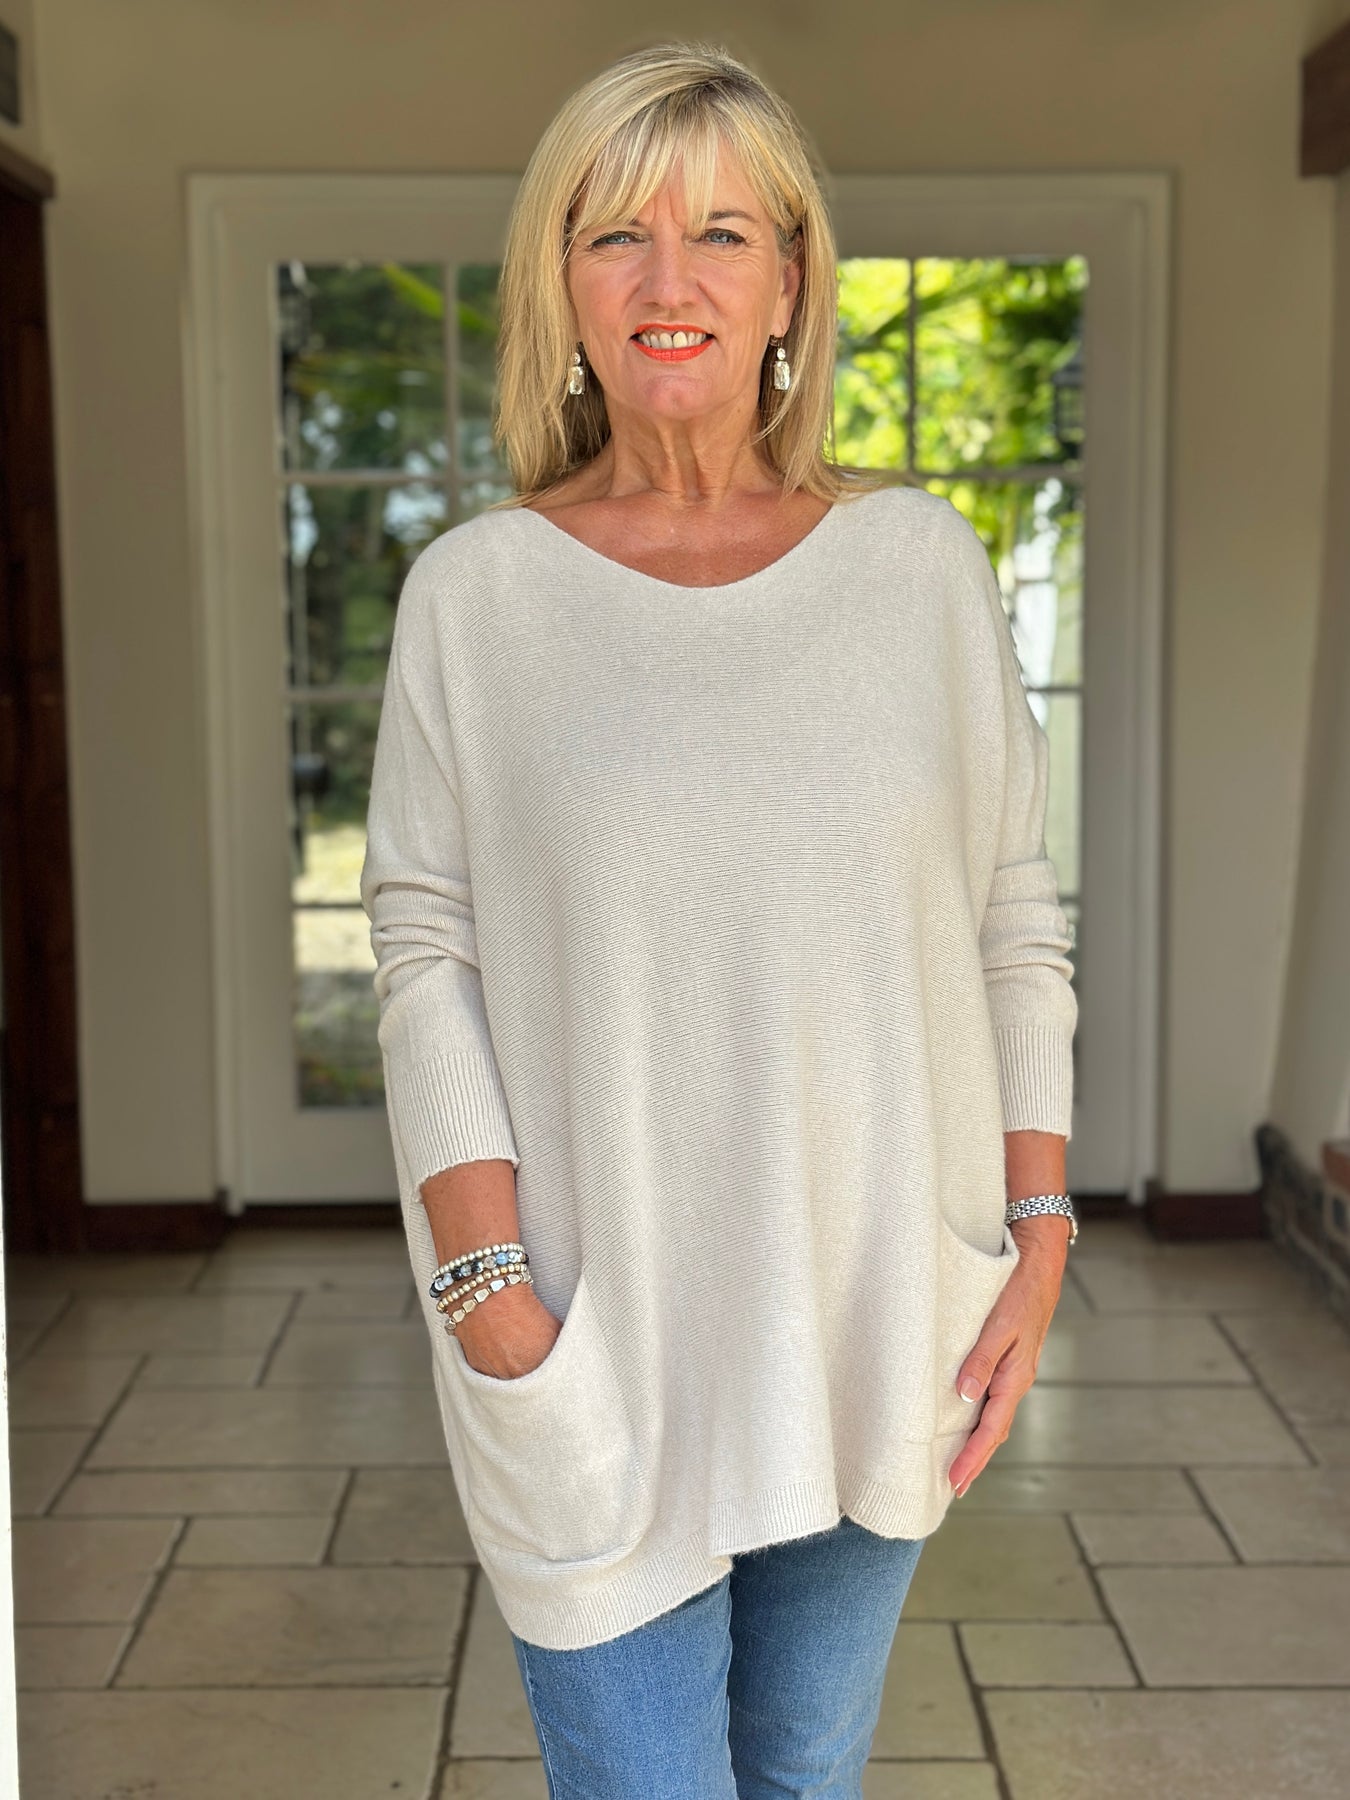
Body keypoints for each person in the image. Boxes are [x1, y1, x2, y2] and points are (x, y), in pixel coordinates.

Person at [360, 38, 1079, 1798]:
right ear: (562, 284)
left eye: (721, 233)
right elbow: (423, 947)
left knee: (806, 1779)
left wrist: (1037, 1227)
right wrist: (487, 1290)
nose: (666, 280)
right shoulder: (476, 598)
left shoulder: (919, 572)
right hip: (593, 1331)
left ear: (791, 282)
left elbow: (1012, 911)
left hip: (876, 1312)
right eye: (615, 233)